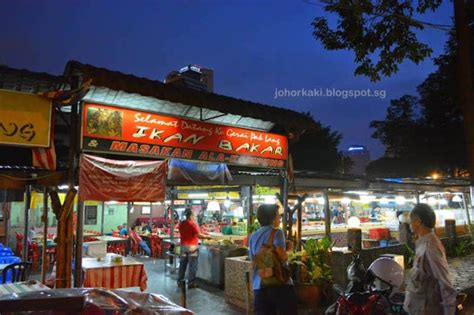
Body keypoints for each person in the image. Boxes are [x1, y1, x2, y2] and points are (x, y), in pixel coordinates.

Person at [404, 204, 457, 315]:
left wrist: (449, 311)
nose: (409, 225)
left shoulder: (430, 246)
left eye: (411, 221)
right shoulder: (422, 243)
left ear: (418, 222)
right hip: (418, 308)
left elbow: (445, 283)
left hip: (427, 310)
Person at [248, 204, 297, 315]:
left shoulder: (253, 236)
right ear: (273, 218)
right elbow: (282, 257)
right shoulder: (277, 233)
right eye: (278, 216)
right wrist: (290, 250)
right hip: (279, 284)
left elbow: (253, 260)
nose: (280, 219)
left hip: (259, 286)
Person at [177, 208, 212, 289]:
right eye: (195, 215)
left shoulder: (181, 224)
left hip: (183, 246)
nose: (195, 217)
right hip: (192, 247)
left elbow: (189, 233)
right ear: (191, 216)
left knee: (182, 265)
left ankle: (179, 281)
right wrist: (207, 237)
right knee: (192, 266)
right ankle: (190, 283)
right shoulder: (193, 224)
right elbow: (199, 235)